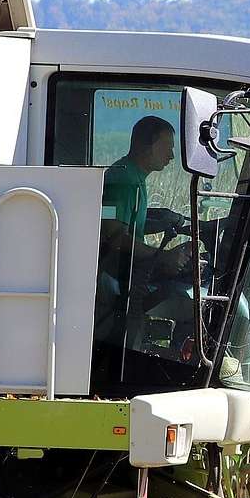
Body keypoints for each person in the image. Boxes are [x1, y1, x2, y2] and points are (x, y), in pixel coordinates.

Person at [97, 115, 190, 342]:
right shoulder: (123, 182)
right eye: (167, 147)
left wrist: (162, 219)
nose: (171, 156)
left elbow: (127, 224)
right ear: (145, 145)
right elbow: (116, 237)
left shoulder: (132, 176)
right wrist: (162, 256)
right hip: (112, 278)